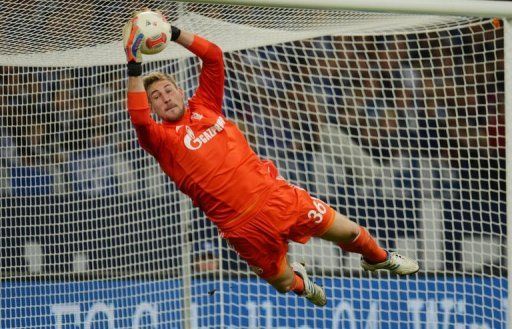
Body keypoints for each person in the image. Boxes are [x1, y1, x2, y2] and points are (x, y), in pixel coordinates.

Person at [122, 11, 419, 307]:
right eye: (157, 98)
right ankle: (302, 283)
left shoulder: (205, 106)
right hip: (241, 227)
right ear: (154, 110)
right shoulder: (159, 139)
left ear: (181, 91)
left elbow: (213, 56)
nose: (165, 98)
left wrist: (172, 32)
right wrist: (134, 62)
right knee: (283, 282)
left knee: (350, 231)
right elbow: (137, 117)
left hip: (277, 197)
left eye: (168, 90)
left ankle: (379, 259)